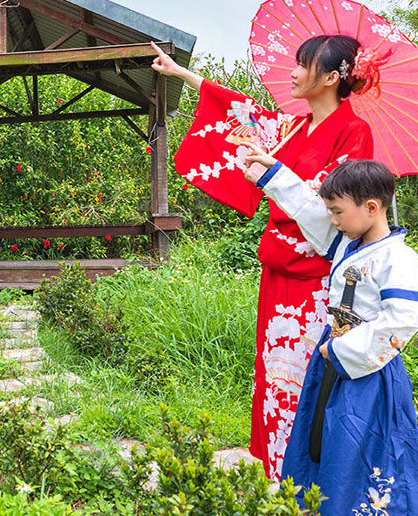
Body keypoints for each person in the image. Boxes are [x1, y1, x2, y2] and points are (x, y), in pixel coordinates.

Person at [150, 37, 374, 480]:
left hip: (319, 278)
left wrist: (275, 175)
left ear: (331, 78)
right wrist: (180, 74)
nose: (292, 73)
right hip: (279, 271)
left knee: (312, 380)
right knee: (276, 377)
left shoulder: (354, 133)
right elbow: (242, 112)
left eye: (302, 65)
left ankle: (315, 480)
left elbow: (340, 215)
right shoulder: (294, 127)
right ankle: (279, 474)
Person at [239, 154, 418, 516]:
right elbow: (310, 210)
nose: (331, 219)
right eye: (332, 211)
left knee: (363, 457)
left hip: (369, 376)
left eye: (338, 211)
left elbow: (404, 319)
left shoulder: (400, 260)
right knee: (324, 451)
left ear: (371, 207)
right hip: (332, 365)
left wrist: (341, 350)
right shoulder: (350, 242)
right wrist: (271, 175)